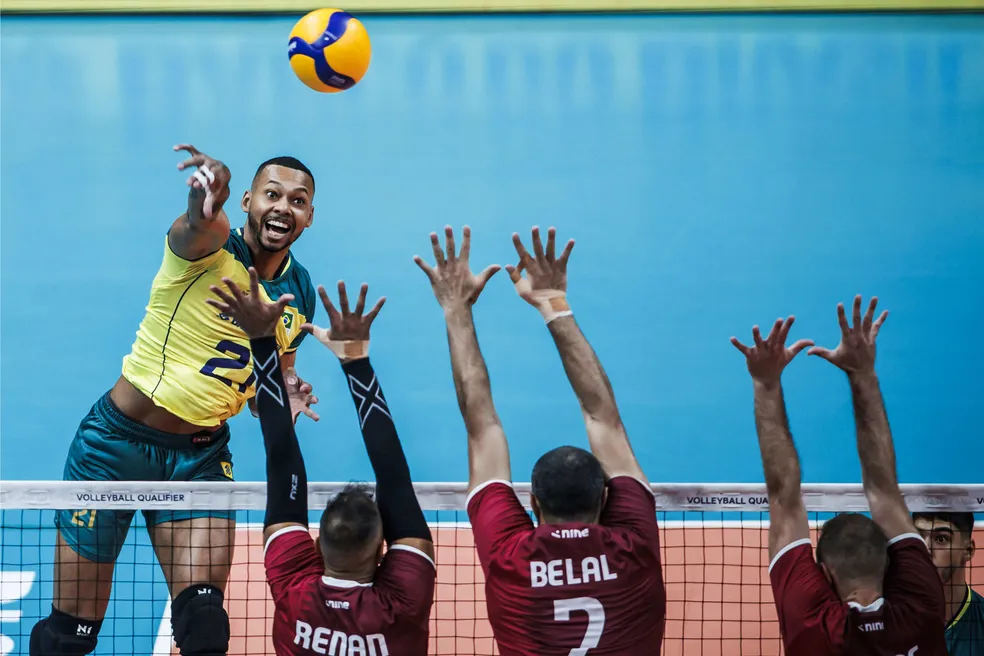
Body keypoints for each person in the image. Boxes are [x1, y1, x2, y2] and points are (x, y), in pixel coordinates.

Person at [32, 146, 320, 656]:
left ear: (309, 217)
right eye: (271, 195)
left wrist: (280, 396)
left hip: (201, 457)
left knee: (206, 627)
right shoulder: (206, 249)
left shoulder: (298, 290)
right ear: (249, 200)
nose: (283, 208)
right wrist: (210, 193)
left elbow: (267, 383)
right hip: (114, 447)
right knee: (68, 637)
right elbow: (198, 222)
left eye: (297, 201)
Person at [414, 225, 666, 655]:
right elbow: (603, 419)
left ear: (532, 505)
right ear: (607, 500)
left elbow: (482, 425)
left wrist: (456, 309)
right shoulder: (633, 547)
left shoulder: (510, 556)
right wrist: (554, 306)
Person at [207, 270, 436, 656]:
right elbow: (393, 476)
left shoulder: (295, 590)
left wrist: (263, 341)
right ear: (383, 550)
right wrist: (355, 360)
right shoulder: (404, 602)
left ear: (315, 546)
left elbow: (282, 460)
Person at [731, 295, 947, 655]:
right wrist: (863, 372)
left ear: (825, 576)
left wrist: (765, 383)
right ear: (891, 565)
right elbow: (885, 493)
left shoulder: (813, 626)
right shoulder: (923, 608)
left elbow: (784, 497)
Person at [912, 512, 983, 655]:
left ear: (968, 550)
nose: (925, 551)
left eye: (940, 539)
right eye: (918, 537)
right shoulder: (884, 619)